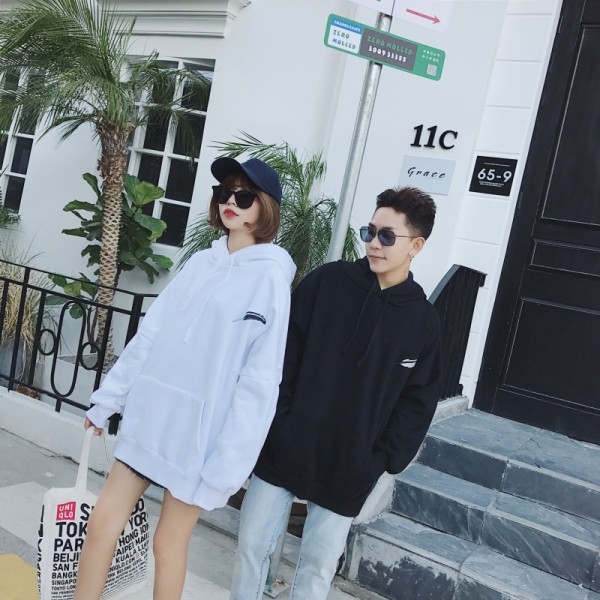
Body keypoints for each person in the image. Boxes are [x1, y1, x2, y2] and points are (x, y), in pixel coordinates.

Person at [73, 157, 296, 600]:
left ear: (265, 207)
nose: (231, 202)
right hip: (152, 418)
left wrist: (229, 465)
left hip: (199, 437)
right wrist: (108, 399)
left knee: (168, 544)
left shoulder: (270, 278)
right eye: (224, 193)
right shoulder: (200, 263)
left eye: (244, 197)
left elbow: (259, 381)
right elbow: (151, 333)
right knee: (100, 525)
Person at [230, 186, 442, 600]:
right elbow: (283, 352)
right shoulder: (327, 282)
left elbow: (418, 401)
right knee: (252, 545)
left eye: (387, 236)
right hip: (286, 444)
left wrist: (379, 459)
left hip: (350, 465)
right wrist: (280, 420)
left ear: (416, 246)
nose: (373, 243)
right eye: (370, 232)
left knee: (318, 568)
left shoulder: (423, 322)